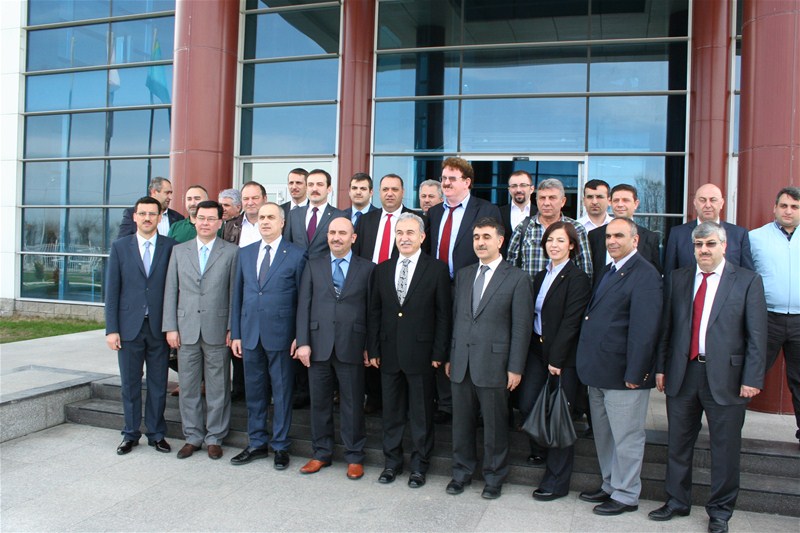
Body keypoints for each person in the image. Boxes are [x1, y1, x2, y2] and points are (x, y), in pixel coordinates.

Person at [652, 221, 767, 533]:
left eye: (710, 244)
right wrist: (661, 367)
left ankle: (720, 511)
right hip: (683, 372)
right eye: (699, 245)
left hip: (728, 378)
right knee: (678, 443)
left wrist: (752, 377)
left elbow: (757, 336)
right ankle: (677, 501)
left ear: (724, 246)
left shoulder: (747, 280)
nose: (704, 250)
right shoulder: (678, 278)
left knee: (725, 449)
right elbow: (667, 328)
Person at [576, 217, 662, 516]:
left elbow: (645, 330)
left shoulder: (645, 274)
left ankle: (626, 494)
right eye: (609, 236)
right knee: (605, 435)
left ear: (635, 240)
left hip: (625, 374)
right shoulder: (609, 269)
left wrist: (636, 373)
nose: (612, 241)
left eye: (619, 236)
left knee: (627, 437)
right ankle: (611, 484)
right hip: (599, 370)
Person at [446, 217, 533, 500]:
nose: (480, 243)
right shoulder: (464, 274)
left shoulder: (517, 278)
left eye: (486, 237)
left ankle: (494, 477)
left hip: (495, 365)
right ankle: (461, 473)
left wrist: (515, 367)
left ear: (500, 241)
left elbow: (521, 327)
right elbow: (457, 319)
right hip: (462, 362)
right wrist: (451, 356)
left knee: (494, 427)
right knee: (461, 424)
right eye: (476, 237)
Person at [368, 213, 452, 488]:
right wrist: (373, 348)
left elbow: (443, 315)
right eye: (400, 233)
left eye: (410, 233)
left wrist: (439, 352)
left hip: (422, 355)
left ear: (422, 237)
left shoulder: (437, 270)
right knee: (391, 413)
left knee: (421, 414)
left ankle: (419, 466)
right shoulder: (382, 269)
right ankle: (391, 463)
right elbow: (374, 312)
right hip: (389, 353)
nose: (404, 238)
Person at [294, 217, 374, 480]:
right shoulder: (313, 265)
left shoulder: (367, 269)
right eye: (332, 233)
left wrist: (369, 346)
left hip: (352, 344)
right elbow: (303, 305)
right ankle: (321, 453)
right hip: (318, 345)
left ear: (353, 238)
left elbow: (371, 311)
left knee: (353, 404)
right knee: (319, 403)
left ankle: (354, 456)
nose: (336, 237)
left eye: (342, 233)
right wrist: (303, 342)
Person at [230, 203, 307, 470]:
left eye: (271, 217)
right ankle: (256, 443)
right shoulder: (245, 253)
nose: (265, 221)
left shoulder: (297, 254)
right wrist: (236, 333)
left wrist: (300, 335)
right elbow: (237, 296)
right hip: (250, 334)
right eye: (262, 217)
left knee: (282, 392)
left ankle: (281, 446)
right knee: (254, 392)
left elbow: (303, 300)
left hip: (282, 336)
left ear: (282, 223)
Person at [518, 221, 591, 502]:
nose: (554, 245)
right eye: (550, 240)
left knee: (559, 416)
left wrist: (557, 359)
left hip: (562, 357)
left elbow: (572, 322)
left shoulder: (577, 278)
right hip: (536, 351)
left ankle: (556, 482)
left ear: (571, 245)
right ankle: (542, 449)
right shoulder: (540, 276)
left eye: (560, 240)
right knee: (527, 403)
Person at [426, 157, 502, 425]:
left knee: (469, 341)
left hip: (472, 287)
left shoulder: (486, 209)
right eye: (444, 178)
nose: (446, 183)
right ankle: (446, 404)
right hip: (438, 287)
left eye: (452, 179)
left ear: (467, 182)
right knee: (441, 339)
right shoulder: (434, 212)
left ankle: (476, 406)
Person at [163, 200, 238, 460]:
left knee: (218, 387)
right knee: (188, 386)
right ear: (194, 220)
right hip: (186, 329)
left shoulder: (232, 252)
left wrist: (232, 328)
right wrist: (170, 327)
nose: (205, 223)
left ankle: (215, 437)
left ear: (220, 222)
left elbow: (234, 293)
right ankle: (192, 436)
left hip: (218, 328)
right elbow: (171, 291)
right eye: (201, 218)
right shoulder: (179, 251)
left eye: (211, 219)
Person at [105, 196, 176, 455]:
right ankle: (130, 433)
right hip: (128, 328)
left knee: (158, 384)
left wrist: (173, 326)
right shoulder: (120, 247)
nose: (147, 218)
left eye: (152, 214)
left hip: (159, 328)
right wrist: (111, 329)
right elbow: (112, 290)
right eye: (143, 213)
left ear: (159, 217)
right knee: (130, 384)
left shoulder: (171, 247)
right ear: (135, 217)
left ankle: (156, 434)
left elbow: (175, 289)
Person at [352, 173, 418, 414]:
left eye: (395, 189)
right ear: (378, 193)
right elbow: (357, 255)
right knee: (371, 336)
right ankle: (374, 396)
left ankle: (402, 398)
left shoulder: (415, 220)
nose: (390, 193)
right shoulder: (366, 220)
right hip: (368, 287)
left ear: (403, 192)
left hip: (400, 292)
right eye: (385, 189)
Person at [749, 186, 800, 447]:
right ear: (775, 208)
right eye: (784, 205)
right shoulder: (755, 238)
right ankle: (728, 428)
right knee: (750, 373)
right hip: (766, 318)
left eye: (795, 207)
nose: (788, 211)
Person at [506, 178, 593, 282]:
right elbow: (510, 267)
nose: (546, 203)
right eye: (542, 198)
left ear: (563, 201)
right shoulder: (523, 228)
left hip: (564, 291)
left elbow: (585, 270)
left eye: (552, 198)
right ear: (536, 201)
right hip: (529, 291)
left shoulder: (576, 229)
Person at [664, 183, 754, 278]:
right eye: (702, 200)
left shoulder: (739, 235)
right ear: (695, 203)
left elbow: (748, 275)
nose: (707, 205)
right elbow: (669, 275)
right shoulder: (677, 234)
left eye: (713, 200)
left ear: (721, 203)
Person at [588, 184, 662, 276]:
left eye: (625, 200)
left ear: (636, 204)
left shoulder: (650, 237)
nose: (620, 204)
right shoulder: (594, 235)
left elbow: (655, 274)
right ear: (610, 202)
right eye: (616, 200)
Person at [284, 169, 348, 259]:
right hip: (298, 267)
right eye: (310, 185)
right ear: (306, 188)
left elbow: (343, 249)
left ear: (329, 189)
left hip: (324, 267)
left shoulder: (339, 216)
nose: (314, 189)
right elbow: (287, 245)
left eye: (319, 184)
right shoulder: (294, 214)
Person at [118, 177, 184, 239]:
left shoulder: (178, 218)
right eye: (167, 193)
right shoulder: (131, 214)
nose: (170, 197)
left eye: (171, 193)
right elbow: (122, 242)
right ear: (154, 192)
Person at [499, 170, 535, 257]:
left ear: (531, 189)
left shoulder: (539, 213)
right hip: (505, 264)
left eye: (523, 185)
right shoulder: (499, 212)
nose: (518, 190)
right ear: (509, 190)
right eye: (514, 186)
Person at [222, 181, 267, 248]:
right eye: (246, 199)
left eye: (255, 198)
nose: (250, 203)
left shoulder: (276, 224)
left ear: (265, 199)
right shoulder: (229, 226)